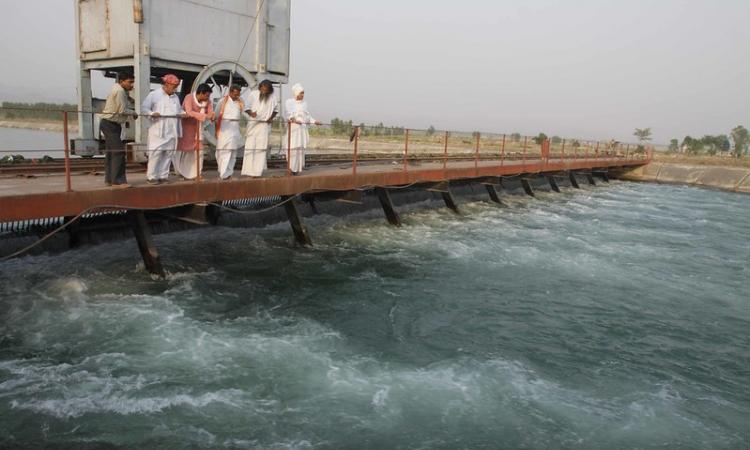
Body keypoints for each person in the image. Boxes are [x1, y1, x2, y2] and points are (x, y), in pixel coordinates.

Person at [141, 74, 184, 184]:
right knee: (156, 154)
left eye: (176, 86)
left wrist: (183, 114)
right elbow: (144, 108)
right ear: (166, 84)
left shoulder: (175, 97)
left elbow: (178, 111)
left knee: (168, 153)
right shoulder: (154, 95)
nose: (175, 88)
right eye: (173, 86)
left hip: (172, 130)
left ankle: (163, 176)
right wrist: (151, 113)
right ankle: (151, 177)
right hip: (158, 130)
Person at [99, 72, 137, 187]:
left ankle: (109, 179)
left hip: (109, 124)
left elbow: (122, 99)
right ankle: (118, 180)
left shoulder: (118, 89)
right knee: (119, 152)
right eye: (130, 82)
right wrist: (134, 113)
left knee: (111, 153)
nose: (132, 85)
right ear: (121, 82)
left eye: (132, 82)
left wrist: (129, 98)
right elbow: (122, 110)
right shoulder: (120, 91)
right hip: (110, 124)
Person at [175, 83, 214, 180]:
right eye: (206, 95)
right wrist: (205, 116)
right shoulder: (189, 98)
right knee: (185, 151)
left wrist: (212, 115)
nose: (208, 98)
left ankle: (197, 174)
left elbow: (210, 111)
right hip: (186, 129)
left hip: (198, 130)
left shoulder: (207, 101)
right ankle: (183, 173)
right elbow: (189, 112)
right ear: (200, 93)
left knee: (199, 152)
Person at [241, 80, 279, 177]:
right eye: (262, 88)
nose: (264, 91)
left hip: (264, 125)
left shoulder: (273, 97)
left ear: (269, 90)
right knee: (250, 146)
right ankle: (248, 170)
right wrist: (251, 113)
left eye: (266, 90)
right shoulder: (253, 94)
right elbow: (247, 107)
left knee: (261, 148)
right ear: (260, 87)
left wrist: (270, 118)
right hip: (253, 123)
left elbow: (275, 110)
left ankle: (257, 172)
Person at [284, 83, 321, 175]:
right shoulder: (289, 102)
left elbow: (307, 117)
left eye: (303, 93)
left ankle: (296, 170)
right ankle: (290, 168)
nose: (302, 95)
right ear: (296, 93)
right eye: (301, 93)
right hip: (293, 129)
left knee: (299, 149)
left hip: (301, 130)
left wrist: (314, 121)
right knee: (292, 148)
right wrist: (294, 119)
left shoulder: (304, 104)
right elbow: (289, 114)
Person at [215, 85, 244, 180]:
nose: (237, 96)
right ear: (230, 92)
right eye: (235, 94)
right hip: (224, 130)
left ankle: (229, 173)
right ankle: (223, 174)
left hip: (235, 130)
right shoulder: (222, 101)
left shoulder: (240, 102)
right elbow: (216, 115)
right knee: (223, 151)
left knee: (232, 153)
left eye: (238, 94)